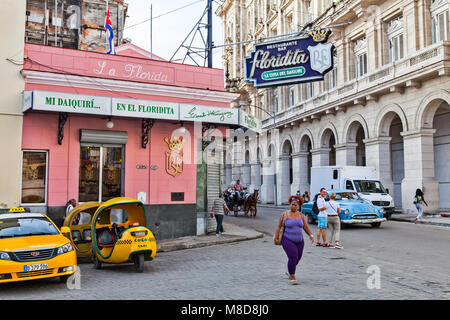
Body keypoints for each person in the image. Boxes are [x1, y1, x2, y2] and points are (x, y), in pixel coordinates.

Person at [274, 195, 314, 285]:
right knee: (293, 256)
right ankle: (292, 275)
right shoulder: (285, 214)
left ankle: (289, 269)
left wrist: (310, 235)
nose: (293, 206)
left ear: (299, 206)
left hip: (300, 241)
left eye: (295, 205)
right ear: (290, 204)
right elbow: (279, 226)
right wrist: (276, 237)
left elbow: (306, 226)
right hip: (287, 239)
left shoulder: (301, 215)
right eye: (292, 204)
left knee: (298, 258)